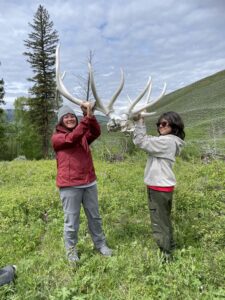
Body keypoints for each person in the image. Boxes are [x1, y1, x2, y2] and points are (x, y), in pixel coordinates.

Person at [51, 102, 112, 263]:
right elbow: (72, 138)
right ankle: (71, 251)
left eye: (72, 116)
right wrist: (87, 117)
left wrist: (88, 117)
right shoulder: (58, 138)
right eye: (66, 116)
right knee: (71, 221)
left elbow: (96, 132)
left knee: (95, 217)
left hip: (89, 183)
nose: (70, 118)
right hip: (70, 186)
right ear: (60, 121)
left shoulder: (82, 135)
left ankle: (100, 244)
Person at [133, 111, 185, 261]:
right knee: (164, 220)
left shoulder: (167, 141)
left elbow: (141, 142)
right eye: (159, 124)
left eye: (164, 124)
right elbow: (148, 140)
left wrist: (139, 122)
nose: (160, 126)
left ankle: (166, 255)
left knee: (158, 222)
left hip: (158, 187)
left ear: (173, 125)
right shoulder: (169, 141)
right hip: (164, 187)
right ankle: (171, 245)